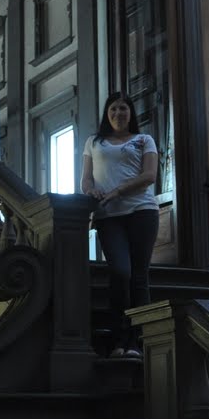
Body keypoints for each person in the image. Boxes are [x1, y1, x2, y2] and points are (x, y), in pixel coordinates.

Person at [81, 91, 160, 358]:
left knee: (139, 277)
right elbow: (86, 179)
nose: (118, 113)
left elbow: (149, 176)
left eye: (123, 108)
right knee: (120, 272)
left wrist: (118, 191)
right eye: (113, 108)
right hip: (108, 216)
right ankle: (118, 339)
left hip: (142, 212)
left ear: (131, 113)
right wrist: (91, 191)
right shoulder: (94, 142)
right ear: (107, 113)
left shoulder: (144, 140)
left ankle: (138, 342)